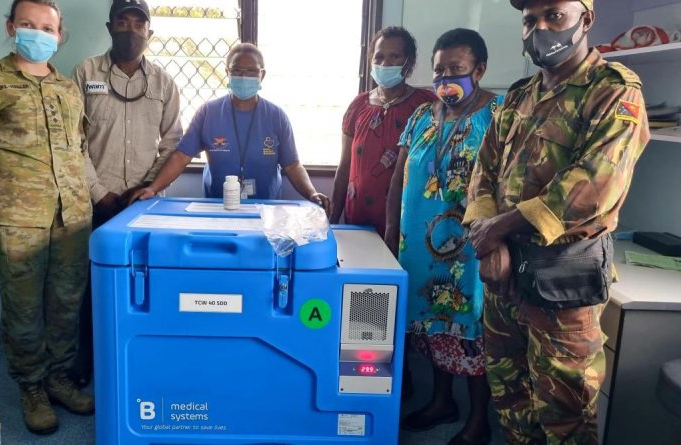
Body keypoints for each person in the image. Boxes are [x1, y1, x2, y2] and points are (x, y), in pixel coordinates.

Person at [463, 1, 649, 443]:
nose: (539, 28)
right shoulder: (519, 95)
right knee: (511, 399)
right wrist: (491, 244)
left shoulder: (614, 91)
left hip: (563, 286)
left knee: (565, 414)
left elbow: (593, 187)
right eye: (530, 19)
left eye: (554, 15)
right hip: (504, 279)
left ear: (585, 19)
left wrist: (498, 230)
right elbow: (482, 175)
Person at [0, 0, 94, 435]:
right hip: (14, 218)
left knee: (65, 304)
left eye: (47, 27)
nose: (37, 34)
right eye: (28, 25)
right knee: (23, 310)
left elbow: (78, 150)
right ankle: (31, 387)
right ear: (10, 27)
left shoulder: (68, 89)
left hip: (72, 216)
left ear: (59, 36)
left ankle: (59, 378)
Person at [386, 28, 499, 445]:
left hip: (469, 247)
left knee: (469, 329)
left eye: (456, 68)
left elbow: (509, 183)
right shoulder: (421, 116)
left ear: (479, 69)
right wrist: (390, 229)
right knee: (432, 327)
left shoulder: (498, 114)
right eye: (439, 70)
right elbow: (399, 177)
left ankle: (477, 420)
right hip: (418, 245)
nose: (445, 77)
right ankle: (440, 401)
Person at [70, 0, 182, 388]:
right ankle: (85, 362)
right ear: (109, 26)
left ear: (149, 32)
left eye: (139, 23)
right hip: (93, 201)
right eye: (123, 21)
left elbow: (172, 144)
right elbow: (74, 141)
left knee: (141, 284)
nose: (130, 30)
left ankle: (136, 360)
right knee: (88, 287)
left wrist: (145, 188)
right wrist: (98, 191)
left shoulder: (164, 83)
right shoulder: (85, 73)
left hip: (142, 205)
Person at [128, 43, 329, 211]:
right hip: (217, 207)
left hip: (266, 210)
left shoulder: (276, 117)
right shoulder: (208, 112)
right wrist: (153, 188)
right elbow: (181, 156)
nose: (244, 76)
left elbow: (292, 165)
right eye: (237, 70)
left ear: (262, 75)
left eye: (251, 71)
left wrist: (311, 193)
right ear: (227, 73)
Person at [331, 26, 435, 235]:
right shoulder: (358, 106)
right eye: (379, 57)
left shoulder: (426, 106)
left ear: (409, 62)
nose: (385, 63)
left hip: (405, 223)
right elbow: (344, 167)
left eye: (394, 56)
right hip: (357, 219)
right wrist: (332, 222)